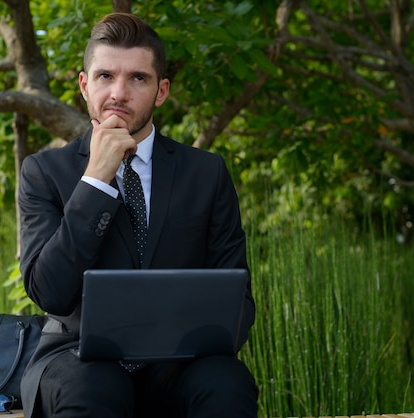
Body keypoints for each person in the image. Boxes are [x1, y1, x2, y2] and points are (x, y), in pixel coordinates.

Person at [18, 12, 258, 418]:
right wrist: (95, 179)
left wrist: (190, 339)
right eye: (105, 76)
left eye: (138, 79)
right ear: (84, 84)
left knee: (227, 382)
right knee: (95, 386)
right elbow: (50, 292)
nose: (119, 93)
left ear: (161, 91)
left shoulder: (207, 172)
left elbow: (239, 305)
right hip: (76, 360)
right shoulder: (43, 173)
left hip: (180, 363)